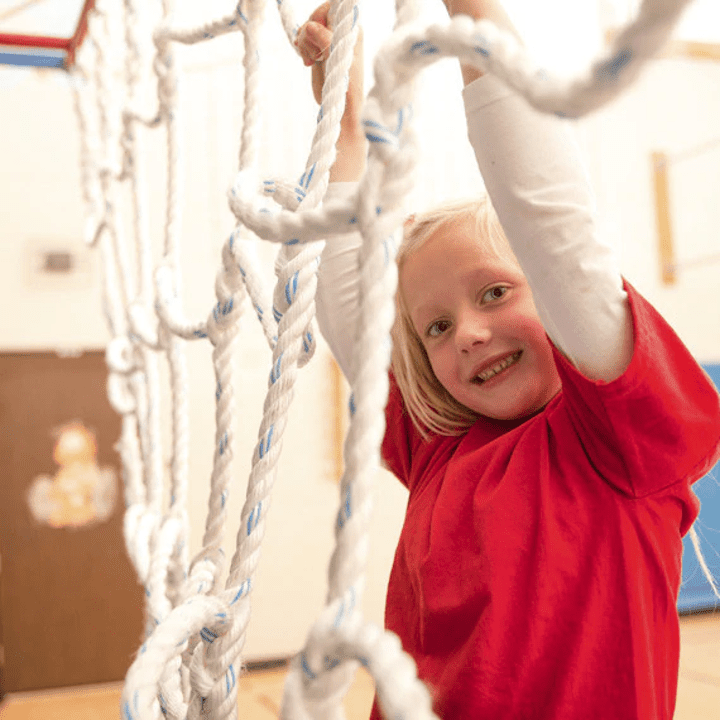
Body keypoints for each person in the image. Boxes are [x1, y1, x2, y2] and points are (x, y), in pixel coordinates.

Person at [296, 1, 720, 718]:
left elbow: (551, 223)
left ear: (550, 295)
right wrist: (342, 127)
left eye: (494, 292)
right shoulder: (437, 445)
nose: (466, 333)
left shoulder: (618, 441)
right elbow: (347, 306)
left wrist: (472, 12)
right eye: (436, 327)